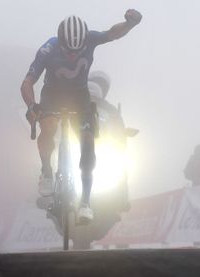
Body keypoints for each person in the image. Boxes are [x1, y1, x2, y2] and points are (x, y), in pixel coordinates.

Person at [20, 10, 142, 222]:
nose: (73, 55)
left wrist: (129, 24)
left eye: (78, 52)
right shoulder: (49, 48)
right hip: (53, 95)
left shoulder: (90, 39)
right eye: (68, 51)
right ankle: (46, 171)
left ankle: (85, 202)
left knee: (88, 142)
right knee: (47, 126)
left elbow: (113, 33)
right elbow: (28, 82)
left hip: (79, 96)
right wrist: (31, 106)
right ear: (61, 42)